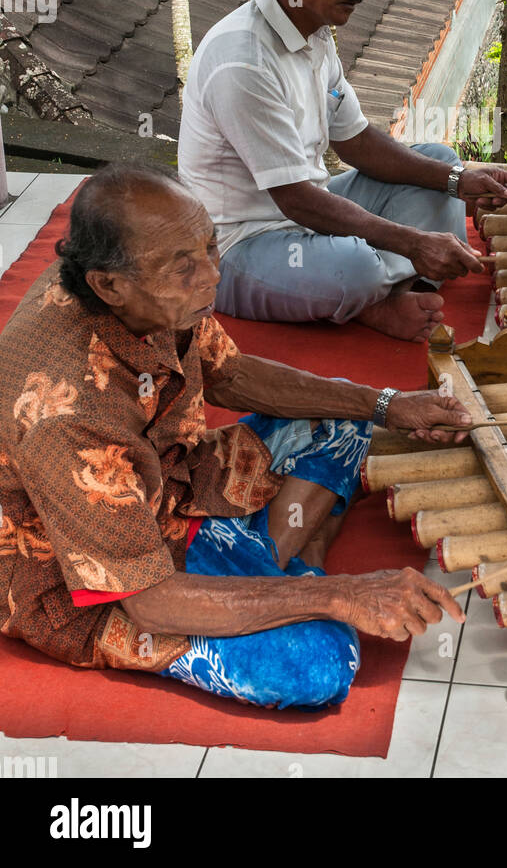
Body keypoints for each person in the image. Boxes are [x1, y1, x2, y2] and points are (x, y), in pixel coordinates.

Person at [0, 167, 470, 709]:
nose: (211, 276)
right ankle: (282, 564)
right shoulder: (67, 412)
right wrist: (340, 594)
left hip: (173, 483)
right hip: (105, 580)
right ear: (108, 285)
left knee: (348, 411)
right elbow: (149, 604)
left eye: (211, 248)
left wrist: (390, 404)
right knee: (318, 664)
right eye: (186, 268)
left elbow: (232, 373)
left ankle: (267, 567)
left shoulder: (148, 287)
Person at [177, 0, 507, 342]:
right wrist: (412, 242)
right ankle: (376, 300)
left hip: (307, 214)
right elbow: (297, 200)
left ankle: (394, 290)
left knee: (441, 163)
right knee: (354, 268)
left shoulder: (314, 31)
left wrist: (459, 181)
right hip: (240, 246)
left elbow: (356, 141)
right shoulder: (242, 61)